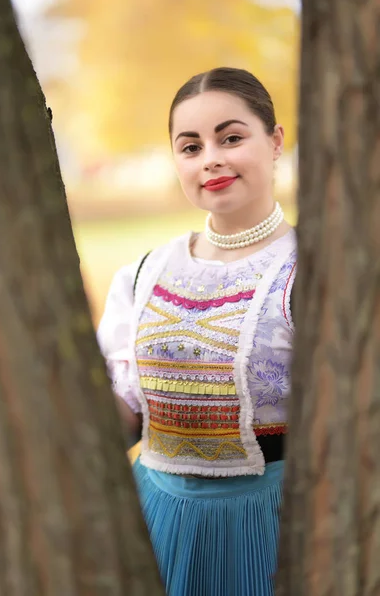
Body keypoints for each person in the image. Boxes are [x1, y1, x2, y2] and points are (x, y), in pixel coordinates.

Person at [98, 67, 297, 596]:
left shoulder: (315, 272)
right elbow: (121, 417)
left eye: (231, 138)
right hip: (154, 521)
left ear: (274, 141)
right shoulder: (142, 274)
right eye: (191, 147)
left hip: (275, 527)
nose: (211, 158)